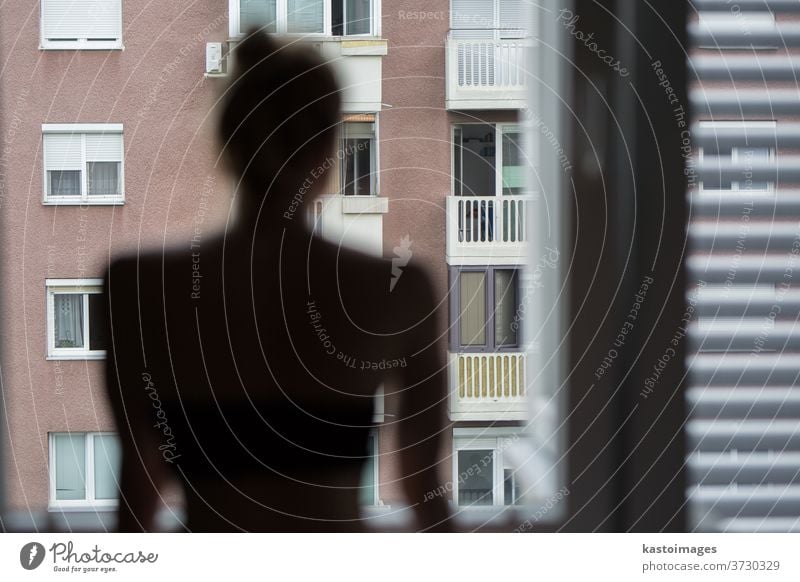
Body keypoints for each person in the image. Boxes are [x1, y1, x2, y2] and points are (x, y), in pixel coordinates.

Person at [103, 30, 450, 532]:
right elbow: (424, 491)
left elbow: (138, 492)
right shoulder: (399, 288)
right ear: (329, 146)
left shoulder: (136, 287)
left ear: (227, 142)